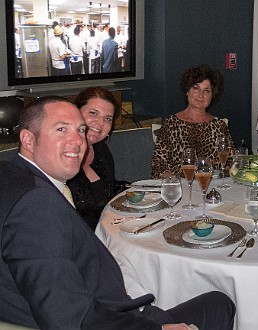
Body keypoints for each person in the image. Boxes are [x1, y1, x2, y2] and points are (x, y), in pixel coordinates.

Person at [0, 96, 235, 329]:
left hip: (105, 306)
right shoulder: (37, 205)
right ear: (28, 140)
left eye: (80, 131)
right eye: (62, 129)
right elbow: (68, 316)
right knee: (220, 303)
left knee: (216, 303)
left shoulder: (13, 176)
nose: (78, 141)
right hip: (110, 317)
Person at [151, 64, 234, 178]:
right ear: (187, 91)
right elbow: (158, 165)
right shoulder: (171, 124)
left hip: (212, 185)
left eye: (206, 91)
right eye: (196, 88)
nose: (200, 95)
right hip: (180, 187)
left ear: (212, 96)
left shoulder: (219, 125)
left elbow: (230, 162)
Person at [66, 87, 118, 229]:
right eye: (93, 113)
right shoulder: (61, 156)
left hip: (105, 234)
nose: (101, 123)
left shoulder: (101, 150)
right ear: (75, 112)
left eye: (108, 119)